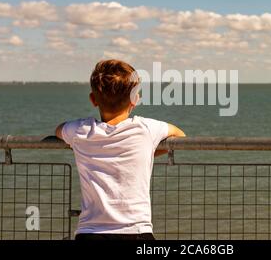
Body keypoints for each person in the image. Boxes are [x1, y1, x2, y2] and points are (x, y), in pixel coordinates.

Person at [55, 59, 186, 240]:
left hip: (90, 233)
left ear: (93, 100)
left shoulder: (80, 131)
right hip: (137, 232)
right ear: (135, 100)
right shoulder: (146, 129)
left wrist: (84, 148)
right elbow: (180, 135)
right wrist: (146, 152)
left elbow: (59, 130)